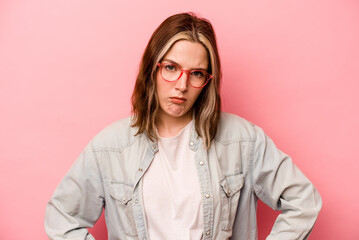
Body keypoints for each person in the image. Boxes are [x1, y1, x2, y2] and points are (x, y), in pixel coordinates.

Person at [45, 12, 322, 240]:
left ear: (207, 82)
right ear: (152, 69)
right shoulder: (109, 147)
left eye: (196, 74)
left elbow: (303, 201)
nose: (181, 85)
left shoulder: (243, 140)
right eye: (171, 68)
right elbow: (61, 218)